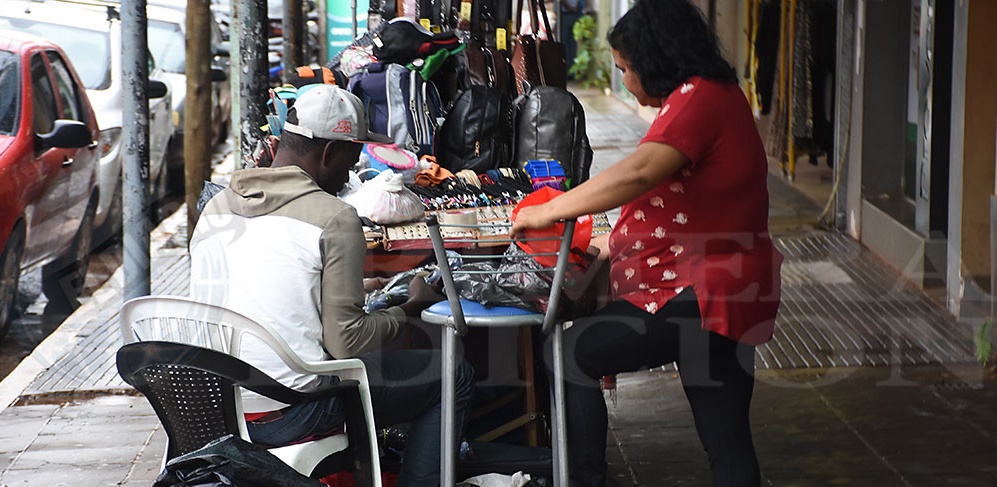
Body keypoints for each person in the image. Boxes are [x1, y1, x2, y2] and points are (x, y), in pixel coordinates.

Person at [510, 1, 783, 485]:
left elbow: (637, 175)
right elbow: (683, 204)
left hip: (700, 292)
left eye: (625, 69)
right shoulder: (714, 94)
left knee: (571, 353)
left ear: (654, 58)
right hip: (729, 292)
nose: (627, 82)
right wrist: (608, 250)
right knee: (727, 438)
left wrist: (547, 209)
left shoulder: (699, 99)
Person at [189, 84, 474, 487]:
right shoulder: (334, 217)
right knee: (452, 373)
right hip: (294, 407)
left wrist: (357, 286)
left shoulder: (216, 208)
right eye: (350, 161)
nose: (349, 176)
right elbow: (347, 343)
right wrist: (407, 308)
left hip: (214, 408)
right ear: (328, 154)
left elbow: (263, 289)